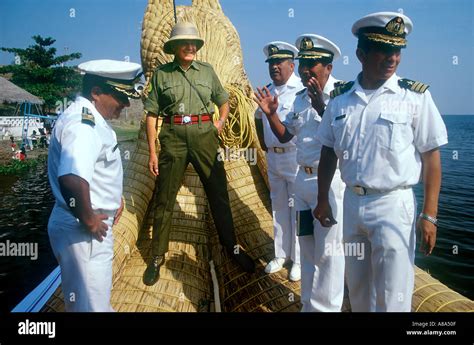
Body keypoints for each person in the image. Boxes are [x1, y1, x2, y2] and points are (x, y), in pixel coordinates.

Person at [315, 12, 448, 312]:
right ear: (361, 54)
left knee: (394, 296)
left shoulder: (414, 98)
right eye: (383, 50)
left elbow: (431, 157)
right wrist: (323, 199)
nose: (393, 58)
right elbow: (327, 151)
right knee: (359, 290)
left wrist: (430, 215)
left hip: (393, 205)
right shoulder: (340, 99)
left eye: (397, 50)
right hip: (351, 203)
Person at [143, 22, 255, 286]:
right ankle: (157, 256)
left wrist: (219, 123)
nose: (191, 46)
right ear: (174, 47)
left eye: (194, 43)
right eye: (185, 43)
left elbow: (223, 100)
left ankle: (232, 248)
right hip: (173, 140)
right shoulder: (161, 75)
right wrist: (152, 152)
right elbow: (151, 115)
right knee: (165, 199)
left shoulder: (207, 71)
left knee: (219, 194)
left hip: (205, 137)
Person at [254, 34, 346, 311]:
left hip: (328, 182)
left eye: (313, 63)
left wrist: (321, 105)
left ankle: (328, 308)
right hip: (303, 181)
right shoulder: (299, 98)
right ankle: (308, 304)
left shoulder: (342, 95)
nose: (307, 68)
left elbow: (344, 139)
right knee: (307, 248)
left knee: (329, 252)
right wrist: (271, 115)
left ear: (328, 67)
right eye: (304, 62)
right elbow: (284, 136)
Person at [47, 59, 142, 311]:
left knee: (95, 301)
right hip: (83, 230)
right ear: (96, 93)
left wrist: (114, 198)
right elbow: (71, 178)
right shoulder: (83, 125)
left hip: (85, 225)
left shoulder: (90, 120)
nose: (126, 103)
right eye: (121, 96)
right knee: (89, 307)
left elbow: (94, 170)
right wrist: (89, 219)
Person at [255, 41, 303, 281]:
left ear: (291, 66)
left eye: (279, 63)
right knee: (278, 207)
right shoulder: (265, 90)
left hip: (294, 157)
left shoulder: (300, 90)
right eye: (271, 63)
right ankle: (281, 254)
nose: (274, 67)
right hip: (273, 157)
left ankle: (299, 259)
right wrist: (264, 146)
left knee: (298, 210)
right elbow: (257, 118)